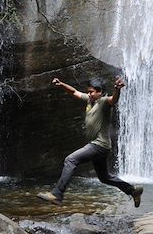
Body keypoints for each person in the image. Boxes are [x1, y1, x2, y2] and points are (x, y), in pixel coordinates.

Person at [37, 76, 144, 207]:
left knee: (70, 160)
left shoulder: (104, 101)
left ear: (100, 92)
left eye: (92, 91)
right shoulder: (89, 100)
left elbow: (113, 100)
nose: (89, 94)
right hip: (101, 146)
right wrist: (61, 84)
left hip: (99, 145)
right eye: (88, 91)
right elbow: (74, 92)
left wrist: (117, 89)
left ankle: (57, 195)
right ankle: (133, 191)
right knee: (104, 178)